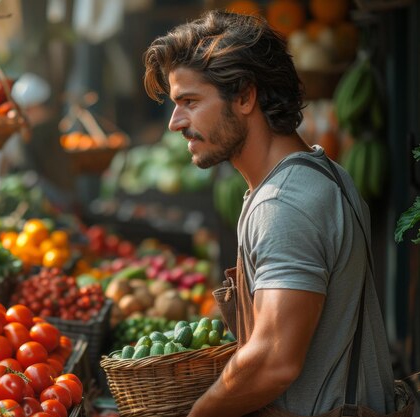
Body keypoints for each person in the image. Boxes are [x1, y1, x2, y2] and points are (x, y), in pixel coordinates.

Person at [143, 10, 408, 417]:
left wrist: (198, 414)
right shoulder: (322, 171)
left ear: (246, 96)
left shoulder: (283, 203)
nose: (175, 123)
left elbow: (274, 362)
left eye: (190, 102)